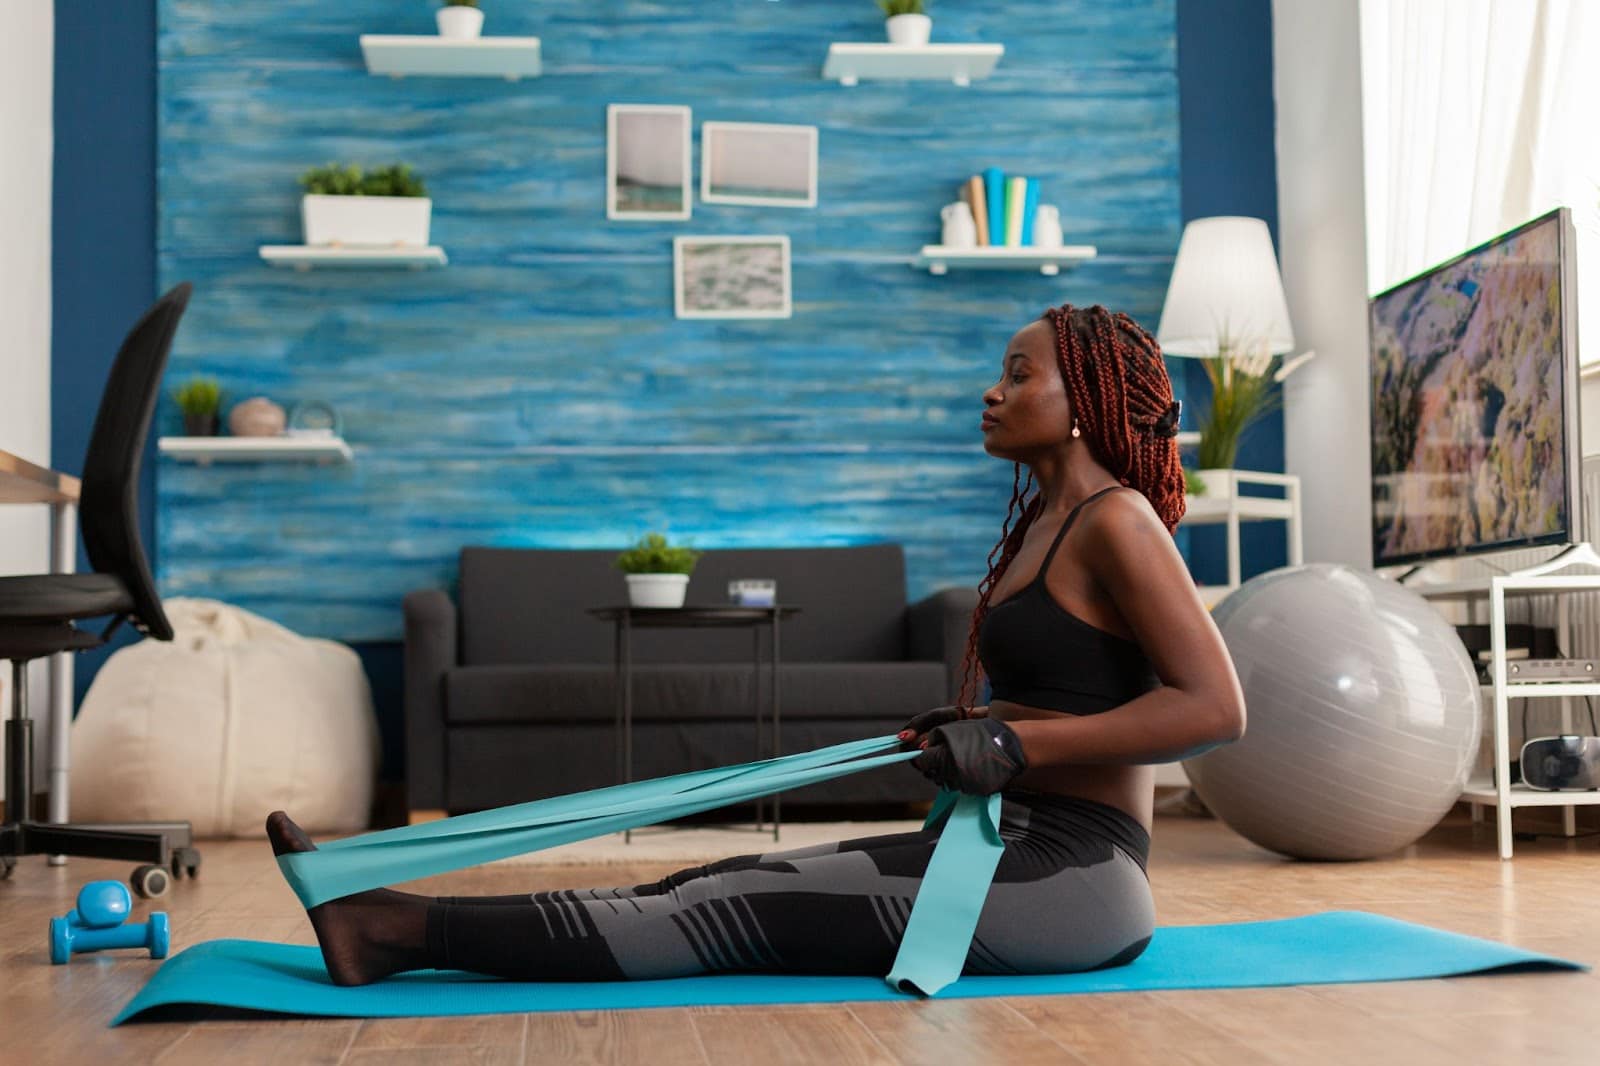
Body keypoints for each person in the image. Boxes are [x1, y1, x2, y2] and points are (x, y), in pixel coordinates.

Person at [266, 302, 1247, 987]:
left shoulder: (1119, 521)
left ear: (1081, 399)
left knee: (720, 916)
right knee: (712, 878)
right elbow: (1071, 693)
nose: (991, 392)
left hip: (1074, 882)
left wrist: (1015, 746)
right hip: (995, 844)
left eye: (1016, 373)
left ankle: (395, 930)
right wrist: (974, 722)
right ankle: (386, 922)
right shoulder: (1043, 523)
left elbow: (1214, 709)